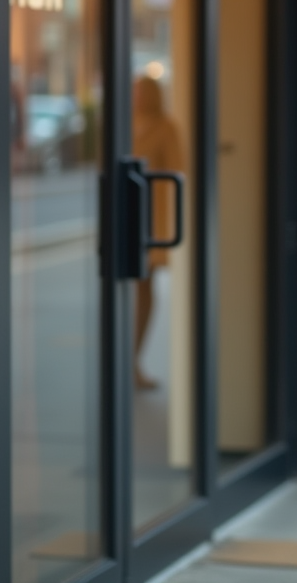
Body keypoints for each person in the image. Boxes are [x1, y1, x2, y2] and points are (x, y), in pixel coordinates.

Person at [132, 75, 183, 390]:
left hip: (151, 220)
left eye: (140, 91)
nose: (135, 96)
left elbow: (178, 168)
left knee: (144, 288)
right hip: (126, 216)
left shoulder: (166, 127)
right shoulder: (124, 122)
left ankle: (134, 359)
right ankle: (124, 360)